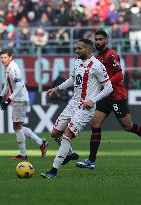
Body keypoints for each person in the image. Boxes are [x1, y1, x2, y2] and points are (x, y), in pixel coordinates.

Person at [76, 30, 141, 169]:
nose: (98, 42)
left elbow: (119, 75)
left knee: (128, 126)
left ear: (106, 41)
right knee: (95, 123)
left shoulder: (112, 55)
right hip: (104, 96)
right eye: (96, 39)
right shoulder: (97, 57)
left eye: (100, 39)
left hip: (116, 96)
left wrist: (107, 84)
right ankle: (91, 161)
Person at [40, 39, 113, 179]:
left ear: (88, 50)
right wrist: (57, 88)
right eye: (76, 48)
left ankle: (53, 171)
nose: (76, 51)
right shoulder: (77, 62)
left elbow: (109, 87)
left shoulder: (97, 66)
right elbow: (72, 79)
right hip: (73, 103)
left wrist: (93, 100)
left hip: (86, 107)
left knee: (67, 136)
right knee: (55, 133)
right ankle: (70, 153)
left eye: (79, 48)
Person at [0, 49, 48, 160]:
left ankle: (23, 154)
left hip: (20, 100)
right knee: (18, 126)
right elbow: (8, 85)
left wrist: (8, 100)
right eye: (1, 58)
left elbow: (19, 86)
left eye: (5, 57)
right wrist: (0, 98)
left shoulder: (14, 69)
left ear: (11, 57)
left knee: (17, 126)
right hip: (18, 99)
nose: (3, 60)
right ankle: (40, 142)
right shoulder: (8, 68)